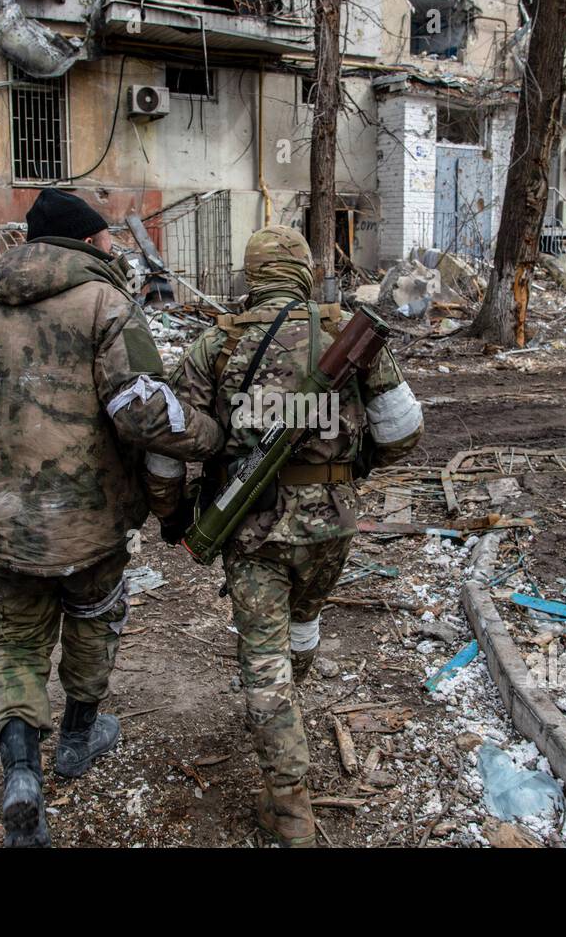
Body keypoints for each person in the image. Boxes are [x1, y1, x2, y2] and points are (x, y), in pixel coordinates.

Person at [0, 188, 223, 847]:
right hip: (90, 521)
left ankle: (21, 770)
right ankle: (77, 737)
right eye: (107, 238)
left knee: (13, 640)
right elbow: (142, 411)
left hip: (0, 517)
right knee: (96, 619)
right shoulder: (106, 303)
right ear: (92, 242)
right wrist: (211, 437)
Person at [158, 225, 423, 846]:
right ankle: (284, 709)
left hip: (249, 527)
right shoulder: (348, 334)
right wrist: (348, 472)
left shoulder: (215, 345)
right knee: (303, 624)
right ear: (304, 271)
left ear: (251, 275)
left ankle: (290, 806)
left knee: (264, 659)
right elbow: (403, 431)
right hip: (333, 523)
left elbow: (167, 447)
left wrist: (173, 513)